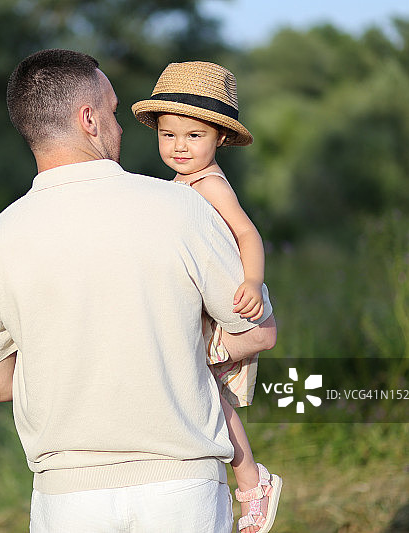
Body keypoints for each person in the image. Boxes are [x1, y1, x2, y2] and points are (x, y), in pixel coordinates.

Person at [0, 49, 277, 533]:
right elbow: (258, 334)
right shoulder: (183, 208)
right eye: (112, 111)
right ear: (89, 119)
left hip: (66, 497)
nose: (122, 126)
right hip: (181, 487)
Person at [132, 61, 282, 533]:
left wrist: (253, 283)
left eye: (193, 136)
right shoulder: (178, 185)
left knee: (213, 400)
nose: (179, 146)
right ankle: (224, 481)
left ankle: (252, 482)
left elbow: (247, 233)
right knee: (202, 398)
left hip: (225, 310)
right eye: (168, 135)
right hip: (196, 307)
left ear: (218, 138)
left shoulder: (209, 183)